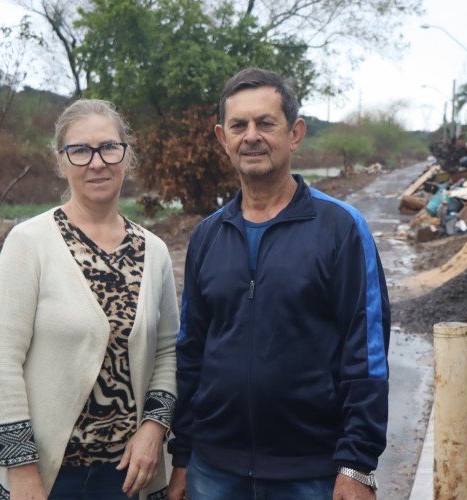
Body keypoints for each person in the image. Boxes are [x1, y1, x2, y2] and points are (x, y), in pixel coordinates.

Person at [168, 67, 390, 500]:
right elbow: (191, 351)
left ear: (294, 133)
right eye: (239, 125)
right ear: (222, 138)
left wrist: (357, 464)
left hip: (311, 473)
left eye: (266, 123)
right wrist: (182, 455)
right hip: (213, 471)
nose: (252, 136)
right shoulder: (208, 235)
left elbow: (366, 354)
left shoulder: (341, 228)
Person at [0, 99, 180, 500]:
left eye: (108, 148)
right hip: (47, 476)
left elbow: (168, 352)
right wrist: (23, 473)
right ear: (61, 160)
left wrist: (154, 430)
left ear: (126, 155)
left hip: (126, 476)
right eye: (80, 150)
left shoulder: (154, 252)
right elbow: (0, 364)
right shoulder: (28, 243)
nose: (97, 162)